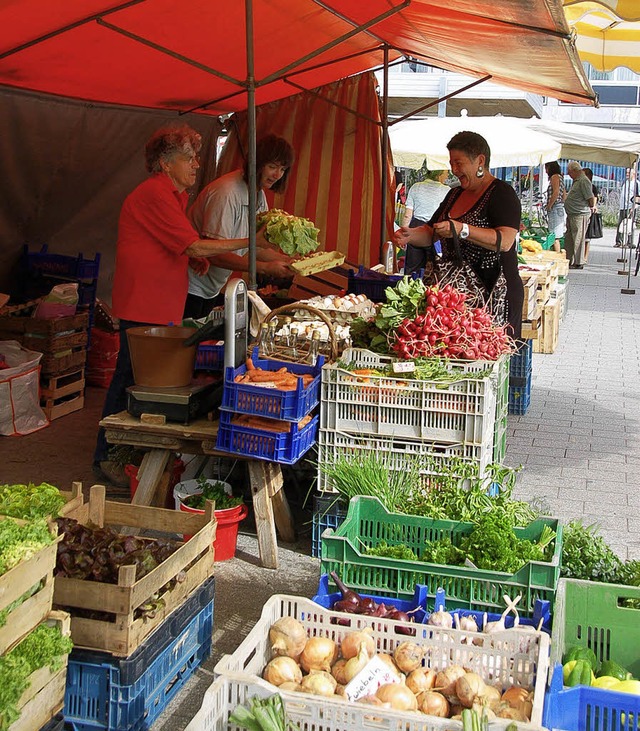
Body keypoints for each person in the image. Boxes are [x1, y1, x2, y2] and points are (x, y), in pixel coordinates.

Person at [93, 124, 275, 484]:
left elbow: (177, 243)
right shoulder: (155, 194)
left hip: (161, 303)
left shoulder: (174, 197)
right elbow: (192, 243)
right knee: (129, 378)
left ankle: (132, 452)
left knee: (147, 382)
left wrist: (192, 258)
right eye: (188, 158)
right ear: (165, 163)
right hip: (142, 303)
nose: (195, 165)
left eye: (195, 157)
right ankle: (107, 456)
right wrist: (250, 243)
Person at [394, 131, 523, 339]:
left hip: (494, 295)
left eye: (458, 163)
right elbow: (431, 231)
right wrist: (409, 235)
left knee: (487, 356)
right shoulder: (454, 194)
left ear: (480, 161)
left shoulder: (502, 193)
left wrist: (463, 229)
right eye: (451, 163)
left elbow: (505, 241)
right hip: (456, 299)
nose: (454, 170)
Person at [184, 134, 295, 319]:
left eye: (283, 169)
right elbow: (215, 254)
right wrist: (265, 268)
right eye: (272, 167)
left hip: (211, 287)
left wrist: (288, 262)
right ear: (257, 163)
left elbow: (253, 247)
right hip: (189, 285)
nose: (277, 175)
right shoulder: (227, 193)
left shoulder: (259, 195)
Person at [401, 170, 450, 274]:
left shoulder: (416, 187)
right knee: (434, 268)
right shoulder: (447, 191)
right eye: (446, 172)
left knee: (412, 269)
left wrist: (403, 234)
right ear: (439, 174)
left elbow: (407, 215)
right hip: (436, 230)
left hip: (415, 228)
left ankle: (409, 288)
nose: (448, 175)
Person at [563, 161, 597, 270]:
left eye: (569, 172)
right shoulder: (577, 180)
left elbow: (590, 197)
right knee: (569, 238)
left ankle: (579, 262)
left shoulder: (583, 181)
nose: (568, 174)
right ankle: (569, 259)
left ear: (575, 170)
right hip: (573, 213)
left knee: (578, 238)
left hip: (580, 214)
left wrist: (592, 206)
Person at [544, 161, 566, 253]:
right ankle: (557, 254)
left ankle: (556, 256)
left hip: (555, 208)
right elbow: (564, 195)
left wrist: (549, 205)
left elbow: (556, 192)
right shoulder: (560, 177)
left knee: (553, 236)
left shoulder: (554, 177)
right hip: (560, 207)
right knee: (556, 235)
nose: (545, 170)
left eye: (546, 168)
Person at [615, 169, 640, 248]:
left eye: (629, 173)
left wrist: (634, 206)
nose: (627, 174)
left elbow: (637, 196)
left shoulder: (636, 183)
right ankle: (619, 241)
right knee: (621, 224)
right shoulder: (625, 182)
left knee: (629, 225)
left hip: (630, 207)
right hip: (623, 206)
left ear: (634, 174)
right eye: (627, 173)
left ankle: (629, 242)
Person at [582, 168, 599, 263]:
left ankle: (585, 257)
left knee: (587, 238)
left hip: (588, 213)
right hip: (583, 211)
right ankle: (582, 256)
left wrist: (593, 206)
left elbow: (594, 199)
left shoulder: (592, 187)